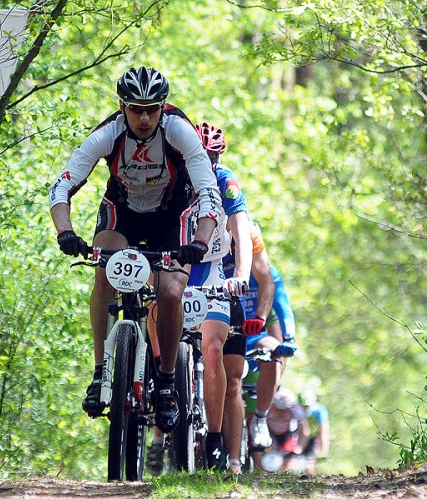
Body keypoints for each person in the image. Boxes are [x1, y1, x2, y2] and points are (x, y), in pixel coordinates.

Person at [49, 67, 221, 434]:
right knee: (103, 267)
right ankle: (101, 372)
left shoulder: (178, 131)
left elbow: (208, 193)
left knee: (171, 292)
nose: (144, 118)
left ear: (162, 108)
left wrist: (200, 243)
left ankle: (166, 383)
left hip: (171, 214)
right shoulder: (108, 133)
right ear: (122, 107)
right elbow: (62, 186)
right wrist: (66, 233)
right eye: (135, 109)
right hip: (122, 213)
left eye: (152, 109)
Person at [146, 121, 251, 473]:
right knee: (153, 311)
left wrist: (241, 275)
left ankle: (216, 438)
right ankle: (159, 404)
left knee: (213, 348)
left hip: (211, 270)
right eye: (199, 155)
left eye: (212, 156)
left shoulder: (225, 180)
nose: (204, 162)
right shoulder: (173, 174)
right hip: (175, 265)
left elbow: (241, 228)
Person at [222, 221, 297, 470]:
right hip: (225, 333)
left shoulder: (267, 273)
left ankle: (261, 419)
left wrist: (288, 339)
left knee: (274, 350)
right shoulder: (217, 264)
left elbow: (284, 307)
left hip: (253, 335)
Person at [264, 386, 309, 471]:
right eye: (278, 409)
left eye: (284, 410)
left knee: (289, 458)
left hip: (287, 435)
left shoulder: (296, 410)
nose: (281, 413)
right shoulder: (267, 408)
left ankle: (284, 478)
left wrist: (298, 449)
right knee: (267, 456)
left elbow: (304, 432)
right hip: (269, 433)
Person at [299, 390, 330, 474]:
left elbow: (323, 430)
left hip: (312, 438)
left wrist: (324, 448)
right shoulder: (295, 407)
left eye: (307, 406)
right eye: (303, 406)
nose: (305, 408)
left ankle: (311, 483)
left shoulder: (319, 411)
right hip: (298, 436)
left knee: (309, 463)